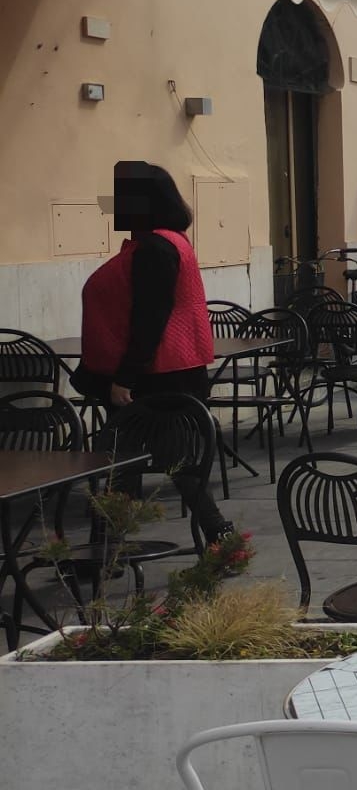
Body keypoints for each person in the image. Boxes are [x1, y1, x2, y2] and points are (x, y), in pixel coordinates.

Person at [74, 162, 233, 541]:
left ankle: (108, 545)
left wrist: (125, 377)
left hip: (155, 376)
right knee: (160, 458)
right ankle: (213, 534)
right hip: (169, 372)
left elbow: (151, 315)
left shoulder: (156, 249)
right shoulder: (169, 242)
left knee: (131, 458)